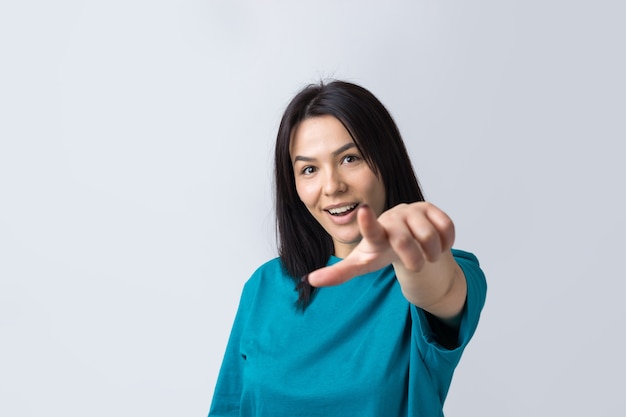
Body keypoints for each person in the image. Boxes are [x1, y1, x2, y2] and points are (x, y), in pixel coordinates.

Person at [208, 80, 487, 417]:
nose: (332, 186)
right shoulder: (263, 286)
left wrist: (414, 256)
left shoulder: (436, 269)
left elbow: (439, 288)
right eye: (309, 169)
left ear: (386, 161)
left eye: (350, 158)